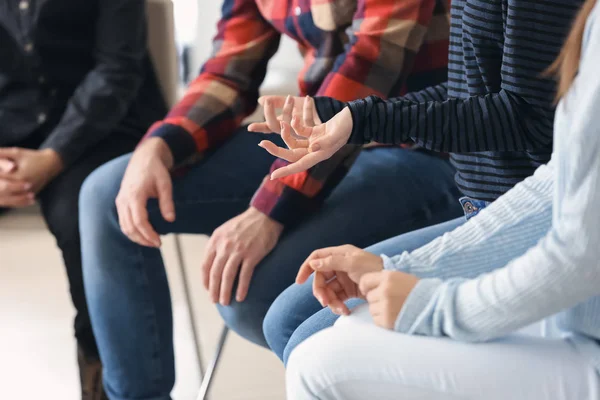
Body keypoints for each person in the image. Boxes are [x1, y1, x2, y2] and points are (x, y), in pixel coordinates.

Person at [79, 0, 460, 398]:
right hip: (313, 130)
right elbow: (230, 69)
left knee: (252, 296)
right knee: (108, 192)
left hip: (419, 146)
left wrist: (269, 210)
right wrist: (160, 143)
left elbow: (370, 70)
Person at [285, 0, 600, 398]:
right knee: (304, 326)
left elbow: (529, 120)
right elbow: (555, 181)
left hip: (562, 292)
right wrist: (348, 118)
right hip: (501, 221)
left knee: (317, 358)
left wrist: (430, 304)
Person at [0, 0, 166, 398]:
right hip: (11, 126)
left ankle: (110, 382)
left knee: (88, 215)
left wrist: (53, 156)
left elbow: (117, 69)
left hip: (103, 125)